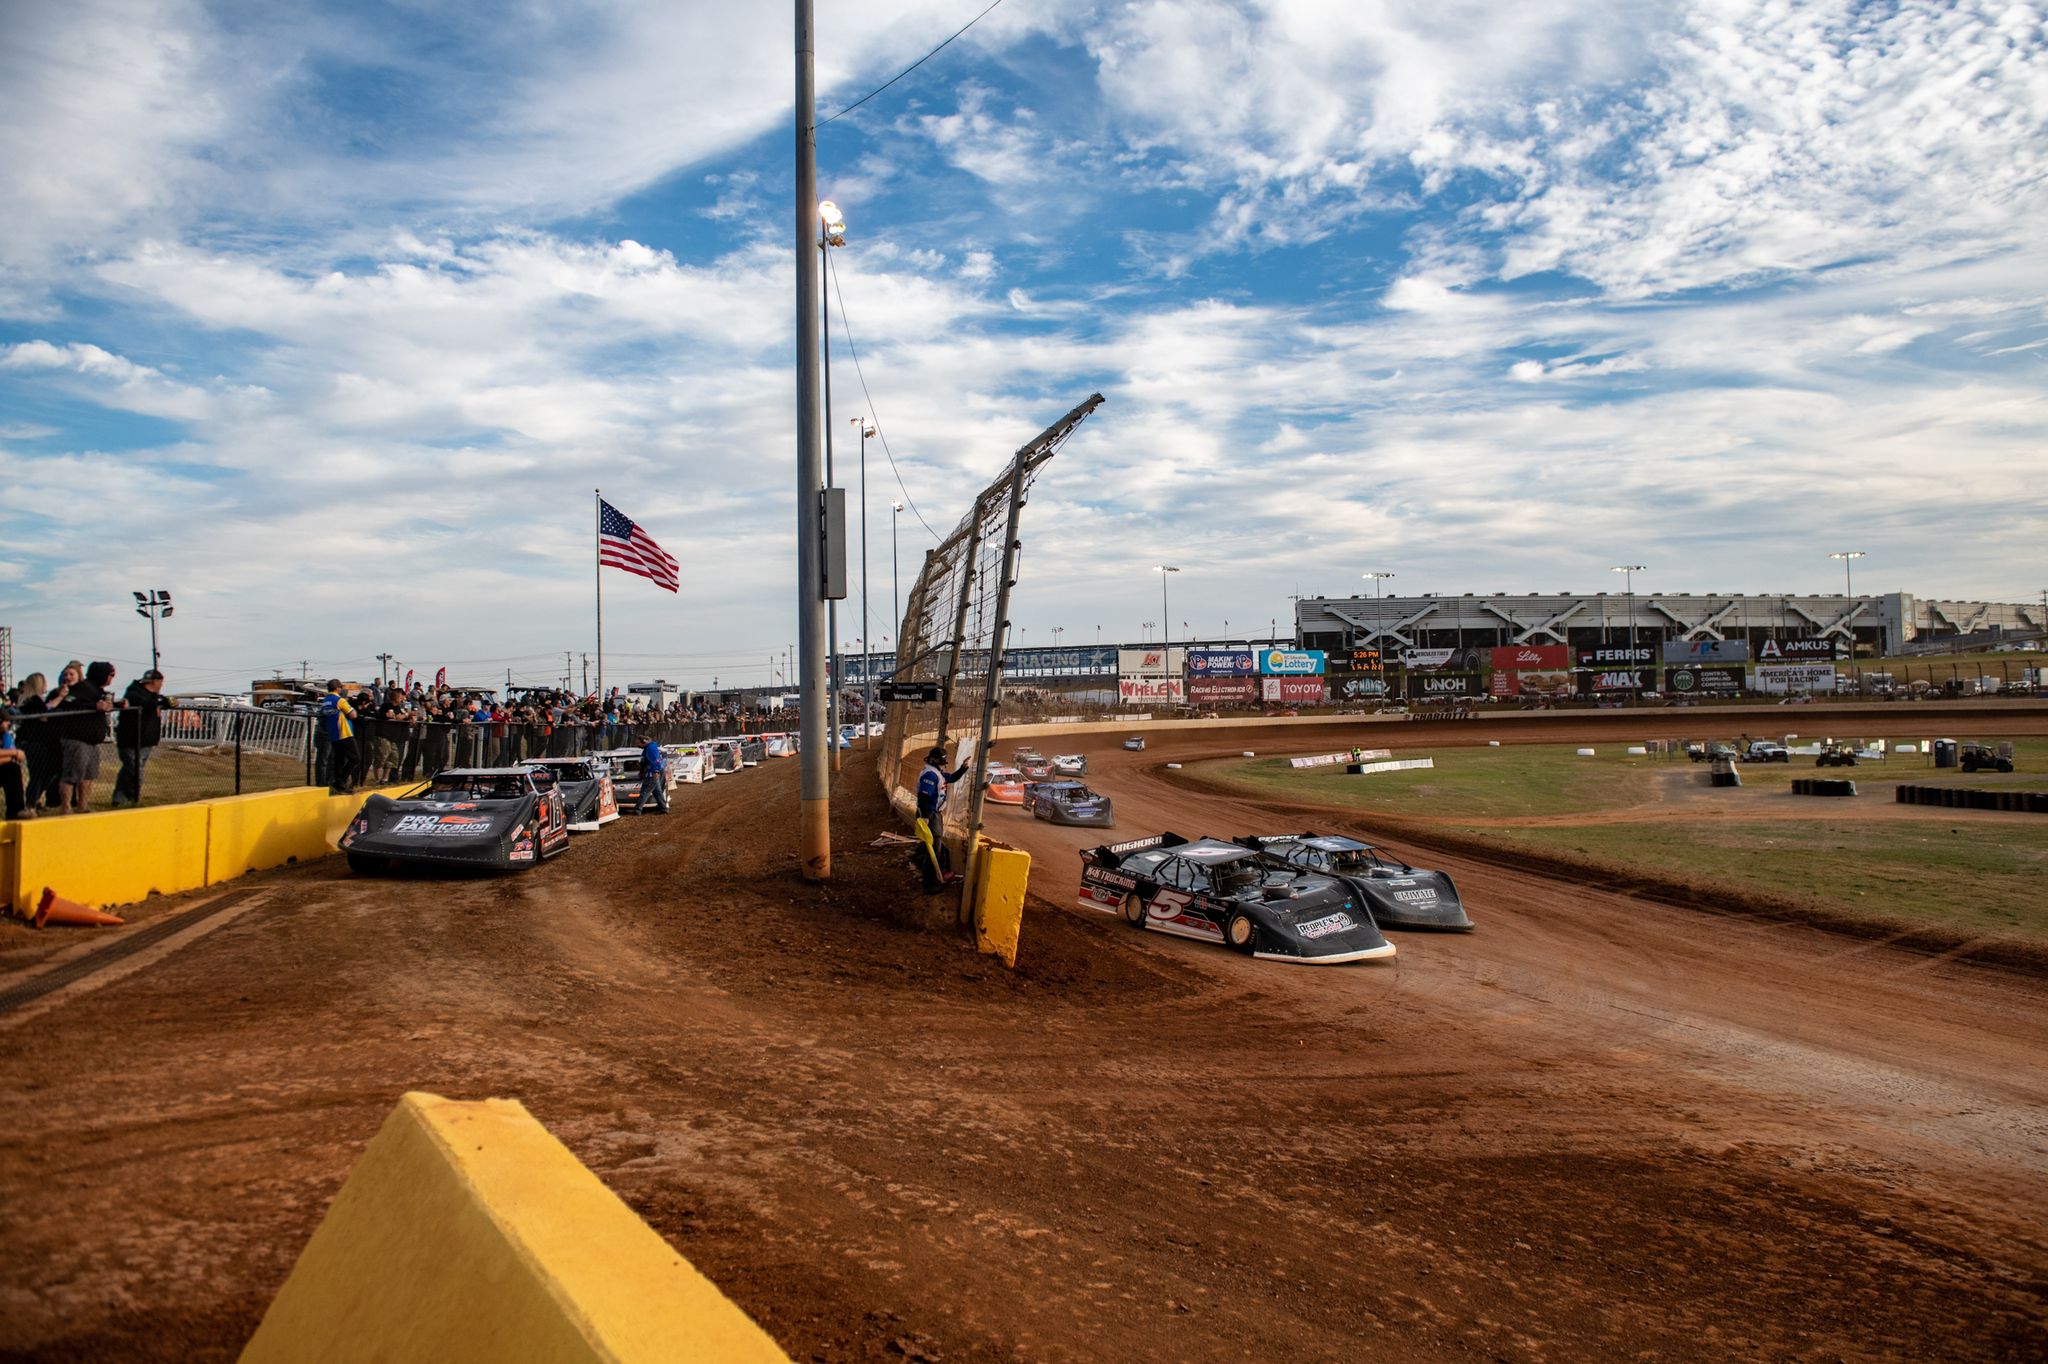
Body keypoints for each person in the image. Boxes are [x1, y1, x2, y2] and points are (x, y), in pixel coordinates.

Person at [54, 661, 117, 814]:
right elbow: (69, 704)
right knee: (72, 774)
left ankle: (83, 806)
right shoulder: (83, 688)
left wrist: (119, 704)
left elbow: (101, 705)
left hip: (92, 741)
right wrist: (93, 707)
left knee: (88, 775)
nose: (112, 679)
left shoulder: (97, 690)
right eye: (111, 675)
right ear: (102, 674)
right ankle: (66, 808)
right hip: (77, 739)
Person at [113, 669, 176, 808]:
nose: (161, 685)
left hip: (147, 739)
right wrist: (159, 702)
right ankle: (132, 797)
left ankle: (120, 798)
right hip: (130, 739)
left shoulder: (153, 695)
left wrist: (164, 702)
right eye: (160, 682)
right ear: (155, 681)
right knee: (135, 770)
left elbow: (168, 702)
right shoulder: (134, 693)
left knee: (129, 770)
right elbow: (148, 703)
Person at [913, 744, 970, 892]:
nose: (943, 766)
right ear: (935, 760)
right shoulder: (930, 775)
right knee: (934, 849)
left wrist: (963, 768)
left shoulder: (936, 772)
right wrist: (925, 817)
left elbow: (950, 778)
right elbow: (923, 796)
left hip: (932, 813)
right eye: (941, 762)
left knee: (930, 846)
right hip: (930, 815)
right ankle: (929, 884)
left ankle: (919, 861)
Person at [320, 679, 358, 794]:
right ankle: (340, 781)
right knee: (355, 758)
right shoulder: (339, 700)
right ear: (337, 688)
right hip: (344, 733)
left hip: (333, 734)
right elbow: (353, 715)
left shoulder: (325, 701)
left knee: (339, 760)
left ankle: (338, 783)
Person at [0, 712, 28, 819]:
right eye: (5, 721)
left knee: (12, 768)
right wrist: (14, 753)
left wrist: (10, 756)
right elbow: (15, 754)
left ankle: (16, 812)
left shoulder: (5, 735)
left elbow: (10, 758)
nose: (7, 724)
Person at [637, 735, 669, 815]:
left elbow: (655, 760)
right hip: (656, 771)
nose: (637, 744)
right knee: (657, 791)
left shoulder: (650, 748)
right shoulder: (651, 747)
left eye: (638, 743)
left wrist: (655, 771)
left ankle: (637, 809)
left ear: (644, 741)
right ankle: (663, 808)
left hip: (653, 772)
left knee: (645, 790)